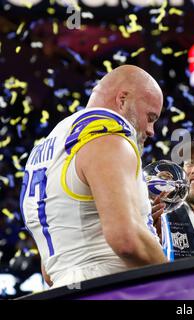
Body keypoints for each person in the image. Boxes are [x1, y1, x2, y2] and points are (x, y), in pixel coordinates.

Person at [20, 65, 167, 288]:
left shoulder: (49, 145)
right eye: (150, 116)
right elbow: (126, 241)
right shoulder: (107, 135)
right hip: (112, 288)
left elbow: (50, 272)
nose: (151, 130)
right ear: (123, 100)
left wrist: (144, 229)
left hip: (66, 288)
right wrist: (179, 281)